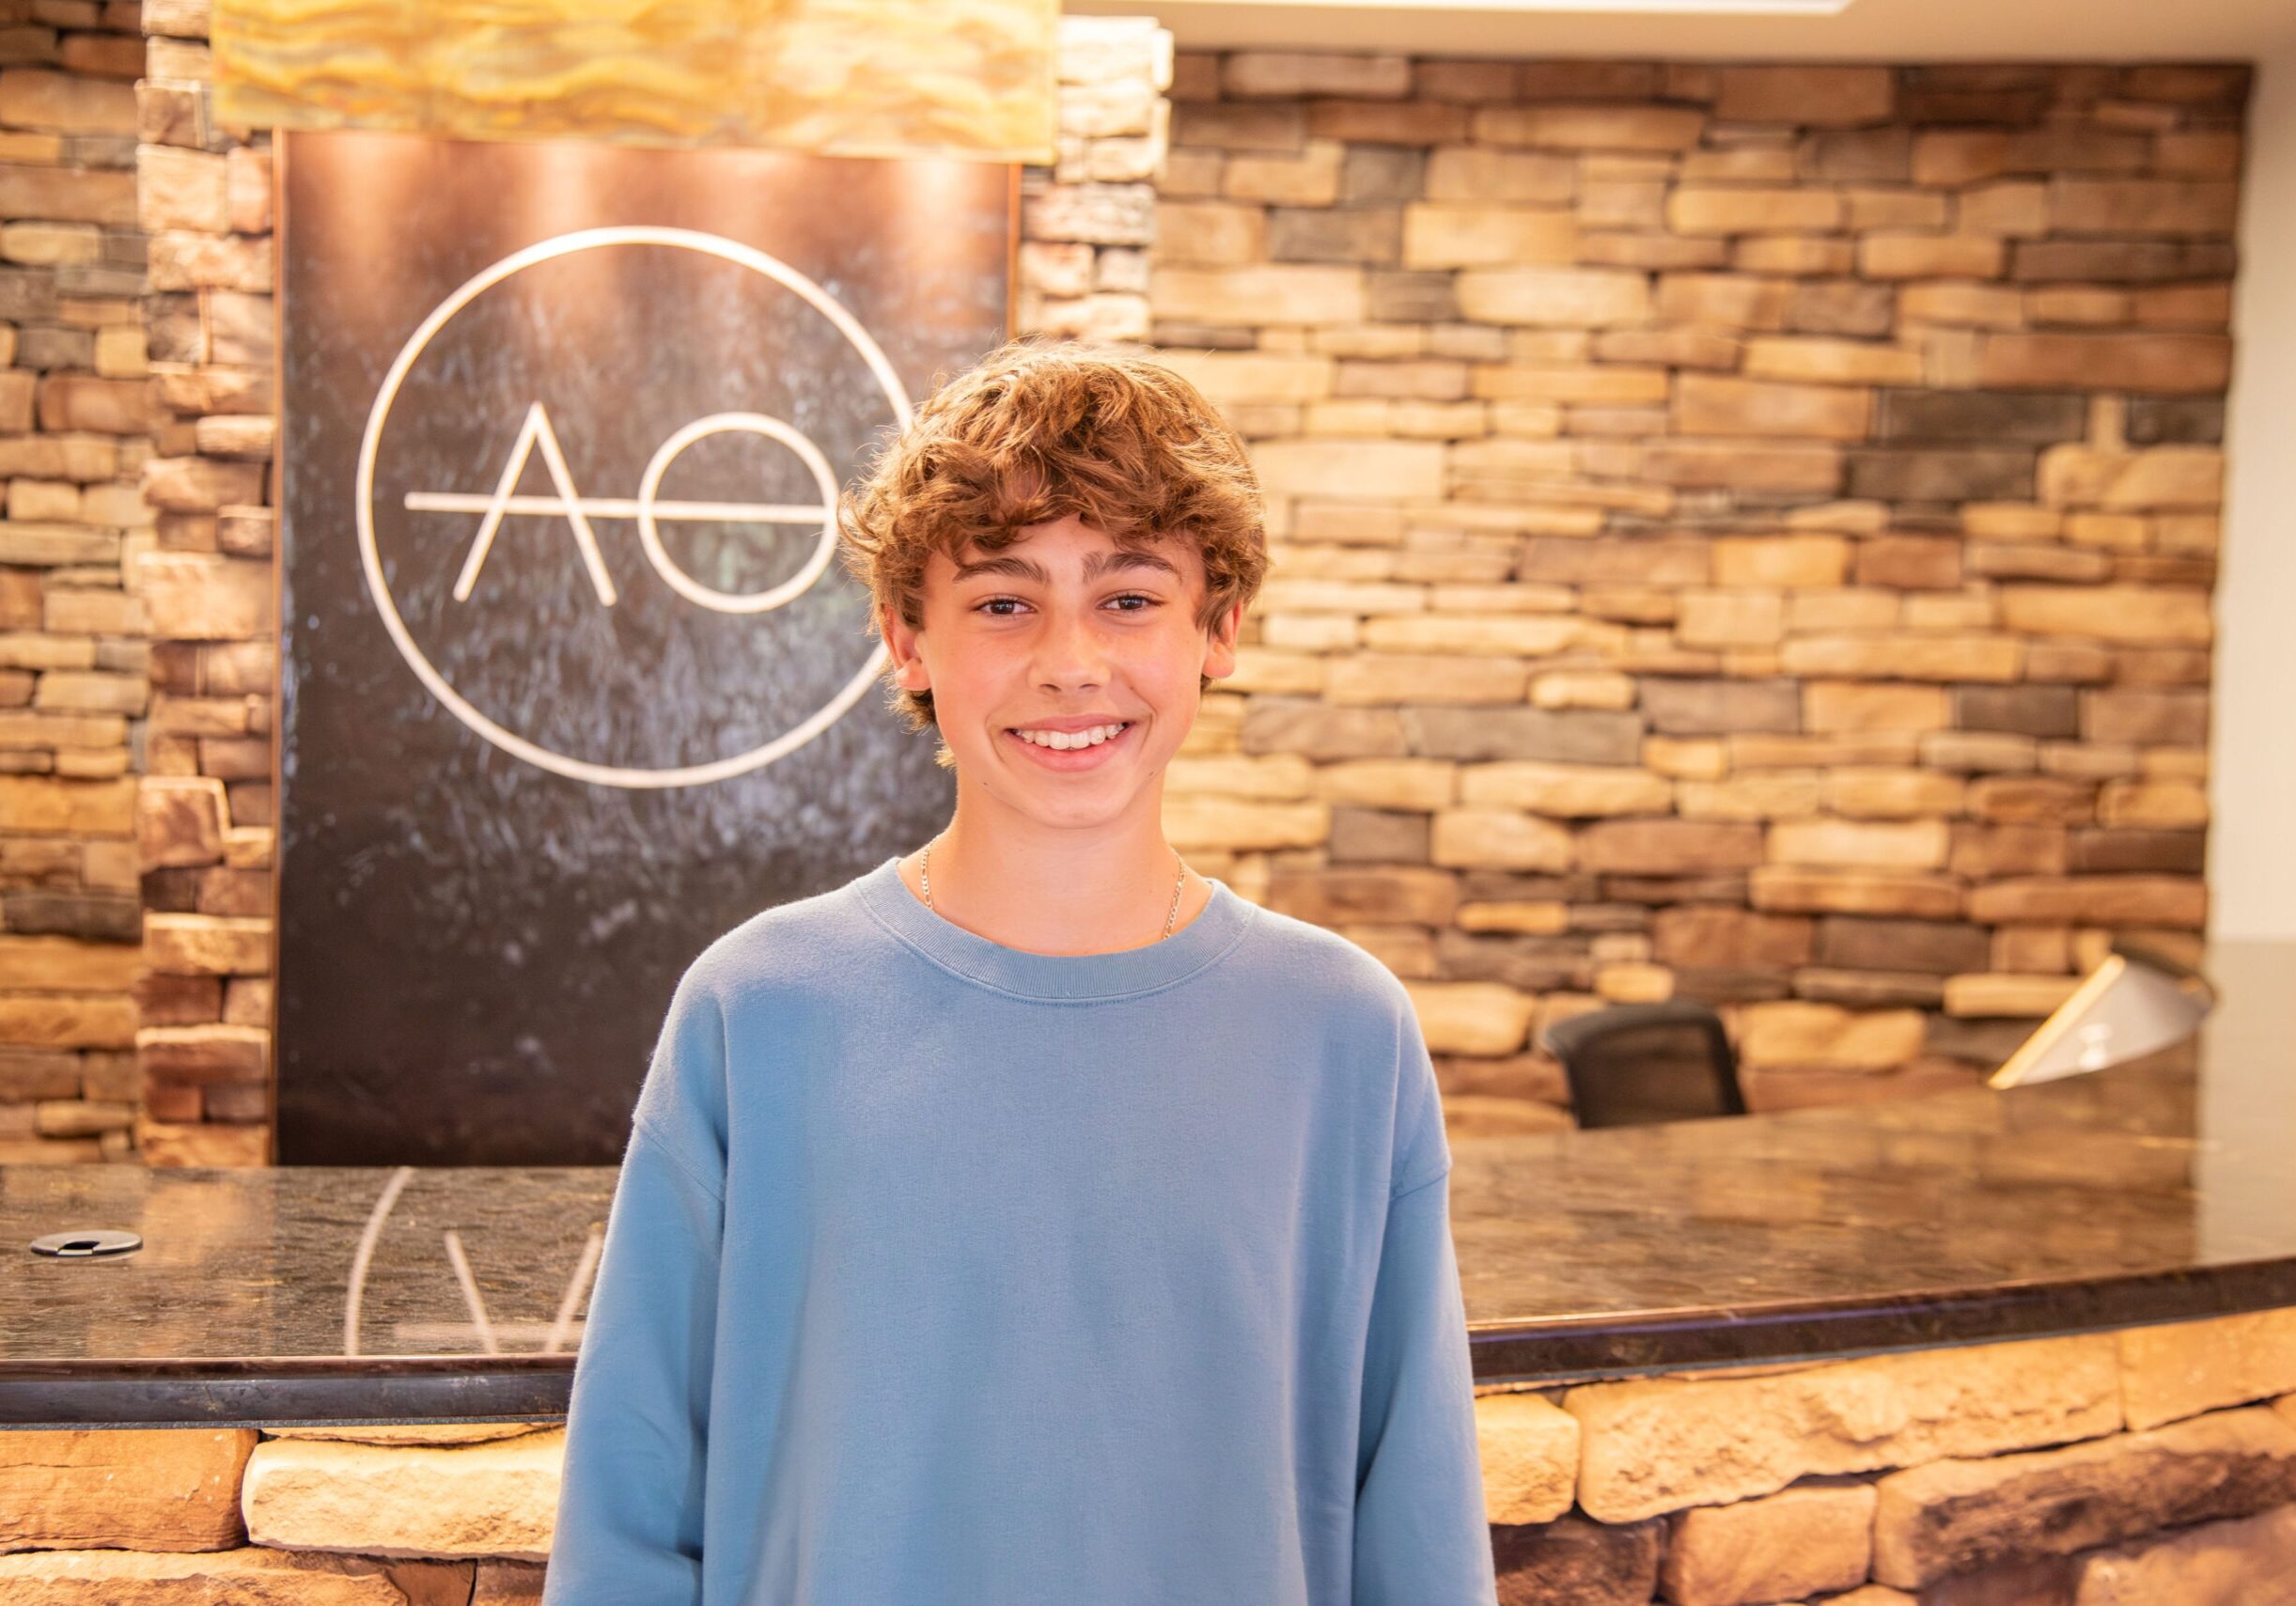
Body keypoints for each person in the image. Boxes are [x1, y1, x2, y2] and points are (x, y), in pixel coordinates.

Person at [540, 335, 1498, 1605]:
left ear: (1218, 629)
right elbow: (629, 1510)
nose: (1069, 660)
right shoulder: (755, 1012)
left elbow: (1419, 1530)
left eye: (1129, 595)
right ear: (906, 638)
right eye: (1003, 600)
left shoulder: (1343, 1034)